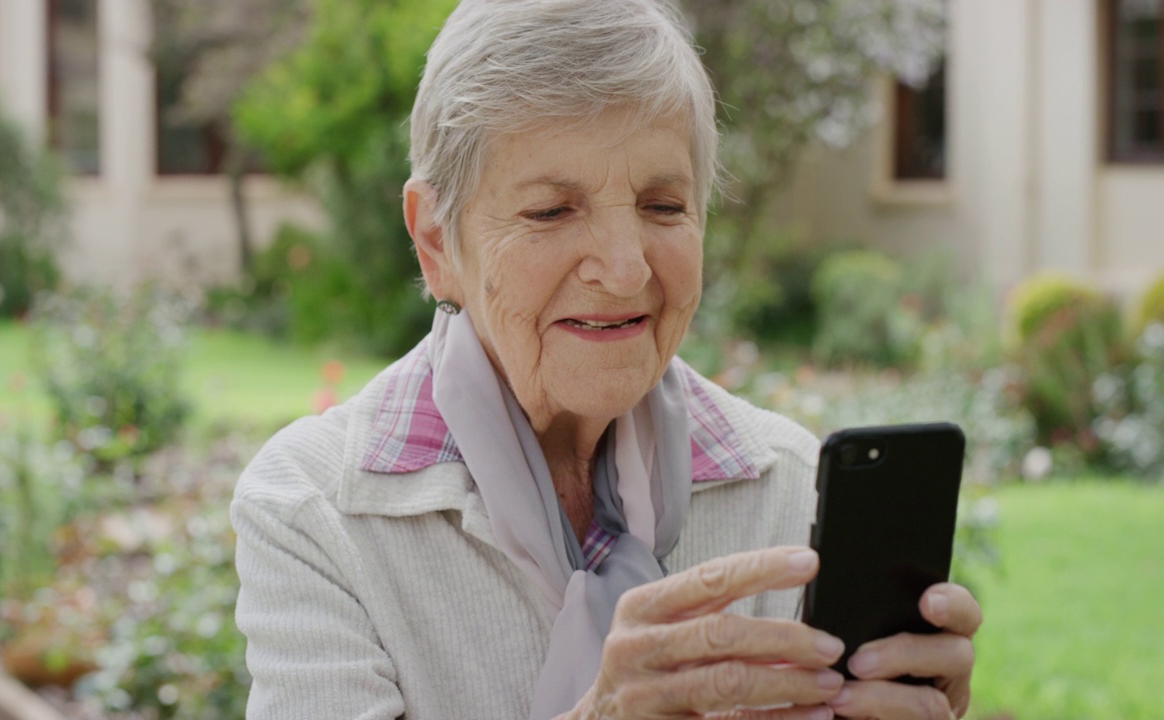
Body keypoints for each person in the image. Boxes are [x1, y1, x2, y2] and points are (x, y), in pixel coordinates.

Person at [230, 1, 980, 718]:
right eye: (551, 211)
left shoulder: (788, 487)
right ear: (436, 242)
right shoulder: (314, 511)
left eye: (662, 206)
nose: (625, 269)